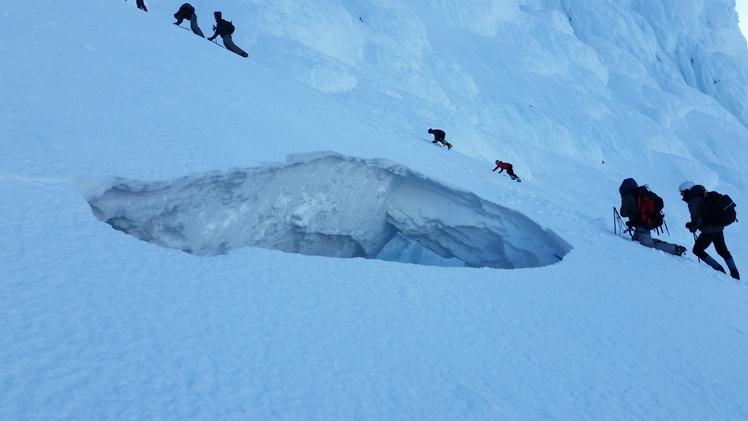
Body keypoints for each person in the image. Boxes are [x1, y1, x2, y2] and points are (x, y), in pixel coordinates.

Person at [679, 181, 740, 279]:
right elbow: (707, 215)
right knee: (723, 250)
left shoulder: (693, 201)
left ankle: (718, 269)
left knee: (697, 250)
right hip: (718, 227)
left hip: (708, 231)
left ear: (687, 191)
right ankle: (735, 273)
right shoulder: (705, 195)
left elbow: (697, 219)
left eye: (682, 192)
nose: (681, 195)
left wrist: (692, 228)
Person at [619, 178, 686, 256]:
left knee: (648, 246)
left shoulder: (627, 196)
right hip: (647, 221)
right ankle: (667, 245)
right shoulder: (640, 193)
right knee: (636, 241)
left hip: (641, 224)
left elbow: (623, 213)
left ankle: (675, 249)